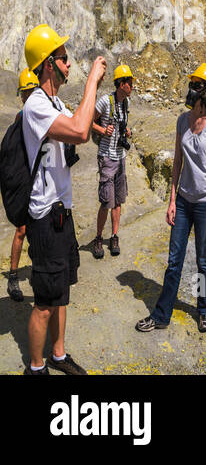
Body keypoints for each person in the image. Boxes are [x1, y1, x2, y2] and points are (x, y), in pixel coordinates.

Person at [20, 24, 106, 375]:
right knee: (43, 302)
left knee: (62, 291)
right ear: (48, 64)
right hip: (44, 218)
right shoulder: (37, 106)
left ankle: (58, 354)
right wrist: (92, 85)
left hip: (62, 214)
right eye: (64, 59)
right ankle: (36, 367)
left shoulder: (54, 102)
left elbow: (80, 124)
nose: (69, 65)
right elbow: (80, 132)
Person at [135, 63, 206, 334]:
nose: (192, 89)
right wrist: (172, 200)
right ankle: (162, 314)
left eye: (198, 85)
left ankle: (203, 309)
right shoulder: (181, 121)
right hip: (184, 202)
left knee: (202, 260)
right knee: (174, 260)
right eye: (192, 84)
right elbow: (177, 163)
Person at [89, 64, 134, 259]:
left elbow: (122, 124)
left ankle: (114, 236)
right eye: (129, 82)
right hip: (107, 156)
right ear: (121, 84)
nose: (132, 86)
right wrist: (102, 130)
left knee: (118, 200)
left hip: (120, 156)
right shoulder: (104, 102)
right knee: (106, 201)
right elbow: (88, 122)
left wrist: (126, 131)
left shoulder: (126, 103)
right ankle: (99, 238)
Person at [7, 70, 40, 302]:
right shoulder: (21, 117)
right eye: (26, 92)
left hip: (38, 180)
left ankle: (39, 270)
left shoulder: (40, 113)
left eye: (30, 91)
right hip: (26, 180)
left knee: (37, 228)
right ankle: (13, 276)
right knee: (22, 229)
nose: (28, 95)